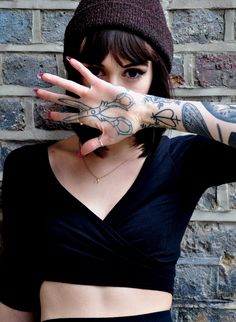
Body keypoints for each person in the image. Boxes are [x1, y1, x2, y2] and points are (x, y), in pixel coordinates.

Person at [0, 0, 236, 321]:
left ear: (156, 80)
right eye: (96, 72)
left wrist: (148, 110)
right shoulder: (28, 166)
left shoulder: (184, 161)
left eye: (133, 72)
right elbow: (17, 291)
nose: (113, 93)